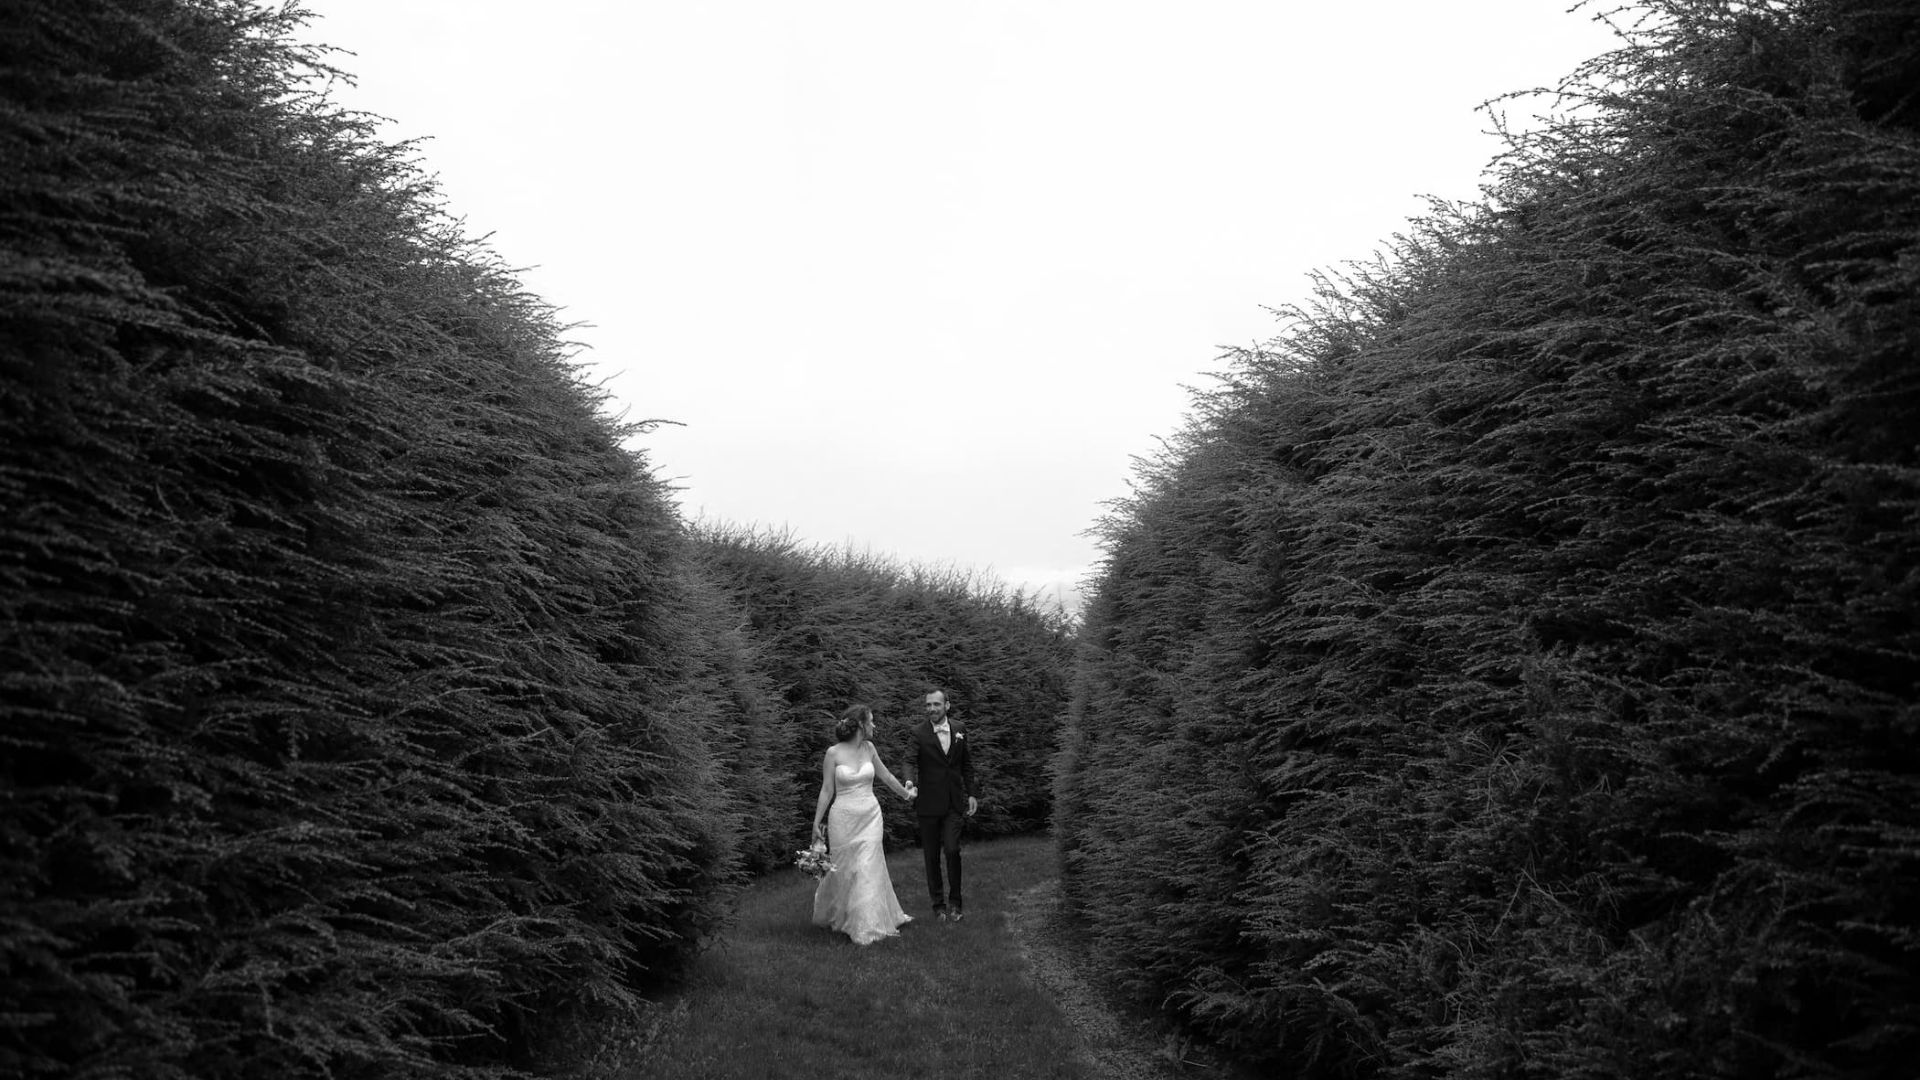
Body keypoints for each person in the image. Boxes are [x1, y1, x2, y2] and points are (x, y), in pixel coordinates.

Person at [810, 704, 915, 945]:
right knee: (846, 871)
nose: (874, 725)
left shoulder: (870, 749)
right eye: (871, 721)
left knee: (868, 866)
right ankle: (844, 916)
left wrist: (907, 795)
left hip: (870, 816)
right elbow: (827, 790)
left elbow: (886, 776)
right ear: (860, 725)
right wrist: (816, 822)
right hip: (843, 819)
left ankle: (867, 926)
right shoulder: (833, 753)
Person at [905, 688, 978, 922]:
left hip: (953, 803)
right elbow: (908, 759)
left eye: (936, 704)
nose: (932, 709)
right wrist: (908, 781)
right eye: (928, 705)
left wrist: (972, 794)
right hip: (927, 804)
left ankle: (956, 904)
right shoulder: (918, 733)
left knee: (952, 850)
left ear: (947, 705)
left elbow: (966, 764)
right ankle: (938, 906)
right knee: (931, 857)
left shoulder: (960, 730)